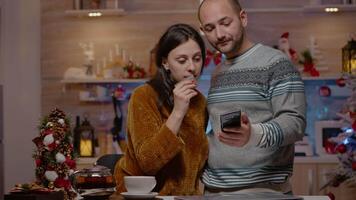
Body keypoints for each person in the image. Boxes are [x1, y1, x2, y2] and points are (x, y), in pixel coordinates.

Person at [198, 0, 306, 194]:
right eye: (210, 28)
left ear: (243, 18)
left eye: (225, 23)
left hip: (261, 191)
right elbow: (218, 132)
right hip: (213, 191)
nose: (219, 34)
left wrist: (253, 134)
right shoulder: (218, 73)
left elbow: (295, 123)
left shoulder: (276, 63)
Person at [114, 23, 209, 195]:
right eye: (182, 60)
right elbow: (148, 163)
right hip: (142, 196)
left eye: (197, 58)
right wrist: (178, 112)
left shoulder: (200, 102)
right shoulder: (144, 96)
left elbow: (196, 165)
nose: (192, 68)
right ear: (165, 62)